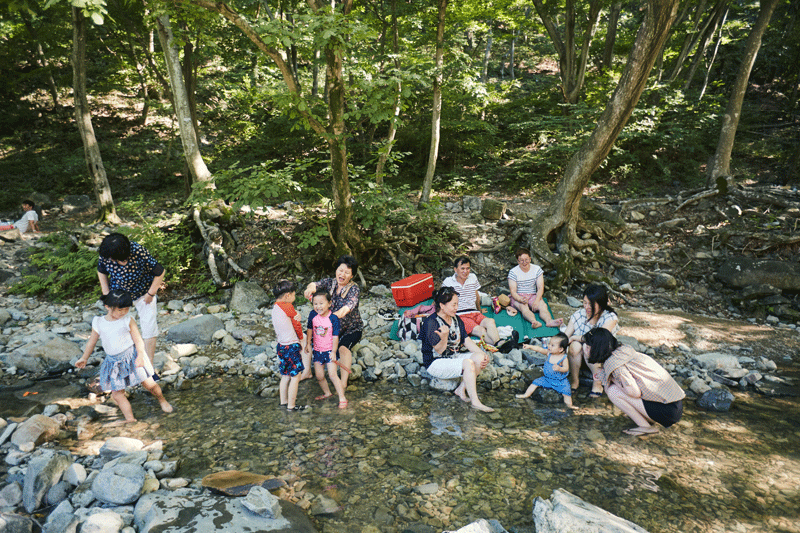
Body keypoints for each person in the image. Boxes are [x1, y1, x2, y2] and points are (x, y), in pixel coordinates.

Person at [75, 290, 172, 422]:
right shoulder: (98, 322)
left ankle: (162, 400)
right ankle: (130, 419)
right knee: (116, 394)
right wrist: (84, 358)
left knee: (149, 384)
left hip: (131, 357)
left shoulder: (128, 320)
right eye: (120, 310)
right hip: (113, 362)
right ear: (107, 307)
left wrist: (140, 356)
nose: (123, 312)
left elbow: (138, 340)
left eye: (126, 309)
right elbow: (91, 342)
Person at [584, 328, 685, 436]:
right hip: (674, 404)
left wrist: (611, 379)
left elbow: (634, 392)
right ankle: (646, 418)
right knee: (615, 388)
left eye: (588, 346)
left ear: (596, 349)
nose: (585, 349)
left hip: (667, 411)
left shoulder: (614, 364)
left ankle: (645, 427)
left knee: (612, 390)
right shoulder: (623, 350)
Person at [420, 286, 495, 412]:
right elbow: (439, 350)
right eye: (453, 305)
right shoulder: (431, 322)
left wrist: (483, 354)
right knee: (468, 363)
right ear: (442, 306)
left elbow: (466, 341)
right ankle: (475, 401)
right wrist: (444, 337)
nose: (456, 308)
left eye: (457, 304)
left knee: (479, 357)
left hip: (453, 357)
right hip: (435, 362)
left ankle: (460, 389)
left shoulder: (456, 319)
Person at [97, 233, 165, 365]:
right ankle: (122, 362)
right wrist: (106, 295)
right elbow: (102, 271)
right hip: (119, 294)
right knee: (117, 325)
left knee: (149, 325)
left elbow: (160, 272)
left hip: (143, 292)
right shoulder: (106, 254)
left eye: (114, 259)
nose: (111, 260)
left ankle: (148, 364)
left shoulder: (138, 251)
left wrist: (151, 294)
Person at [304, 255, 362, 390]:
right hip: (329, 329)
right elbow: (314, 284)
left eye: (347, 272)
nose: (342, 274)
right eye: (340, 270)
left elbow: (345, 310)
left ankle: (343, 382)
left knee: (342, 348)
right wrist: (309, 289)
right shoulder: (330, 283)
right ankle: (307, 371)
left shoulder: (354, 289)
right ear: (336, 270)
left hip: (350, 328)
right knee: (305, 338)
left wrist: (327, 318)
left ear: (352, 275)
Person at [563, 284, 619, 397]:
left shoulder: (610, 318)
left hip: (601, 354)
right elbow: (565, 336)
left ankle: (597, 383)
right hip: (578, 357)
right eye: (584, 303)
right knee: (574, 345)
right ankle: (575, 381)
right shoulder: (579, 315)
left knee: (587, 345)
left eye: (591, 304)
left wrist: (575, 337)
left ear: (601, 304)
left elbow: (597, 338)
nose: (587, 307)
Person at [442, 256, 500, 345]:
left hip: (474, 312)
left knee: (490, 321)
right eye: (462, 268)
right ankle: (499, 344)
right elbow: (441, 300)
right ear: (455, 269)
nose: (465, 271)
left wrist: (479, 310)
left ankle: (499, 342)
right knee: (480, 330)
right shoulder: (448, 282)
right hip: (460, 315)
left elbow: (476, 295)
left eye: (468, 268)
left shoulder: (472, 277)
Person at [305, 290, 347, 409]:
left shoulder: (333, 318)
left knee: (333, 374)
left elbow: (335, 336)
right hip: (318, 351)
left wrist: (334, 352)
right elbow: (309, 329)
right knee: (319, 375)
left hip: (329, 351)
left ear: (329, 303)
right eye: (315, 304)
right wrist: (308, 343)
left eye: (321, 303)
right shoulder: (313, 315)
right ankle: (327, 392)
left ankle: (342, 397)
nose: (318, 306)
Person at [272, 280, 308, 411]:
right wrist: (301, 339)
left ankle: (283, 402)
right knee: (296, 376)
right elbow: (297, 326)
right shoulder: (288, 307)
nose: (295, 297)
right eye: (293, 294)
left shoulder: (275, 307)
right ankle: (291, 406)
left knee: (285, 375)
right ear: (287, 295)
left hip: (281, 346)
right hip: (291, 346)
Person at [516, 333, 575, 409]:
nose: (549, 346)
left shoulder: (563, 358)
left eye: (552, 345)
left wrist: (560, 368)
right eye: (549, 343)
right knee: (535, 383)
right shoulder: (549, 353)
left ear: (561, 349)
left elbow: (566, 368)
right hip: (547, 379)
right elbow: (539, 349)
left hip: (561, 381)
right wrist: (530, 346)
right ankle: (526, 394)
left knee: (566, 392)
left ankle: (569, 405)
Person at [507, 248, 563, 329]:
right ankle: (534, 321)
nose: (524, 262)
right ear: (518, 261)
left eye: (526, 259)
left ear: (530, 259)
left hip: (532, 295)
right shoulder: (513, 272)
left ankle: (549, 321)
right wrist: (520, 299)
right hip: (518, 296)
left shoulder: (537, 269)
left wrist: (536, 301)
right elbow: (513, 291)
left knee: (543, 306)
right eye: (521, 260)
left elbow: (540, 287)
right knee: (524, 308)